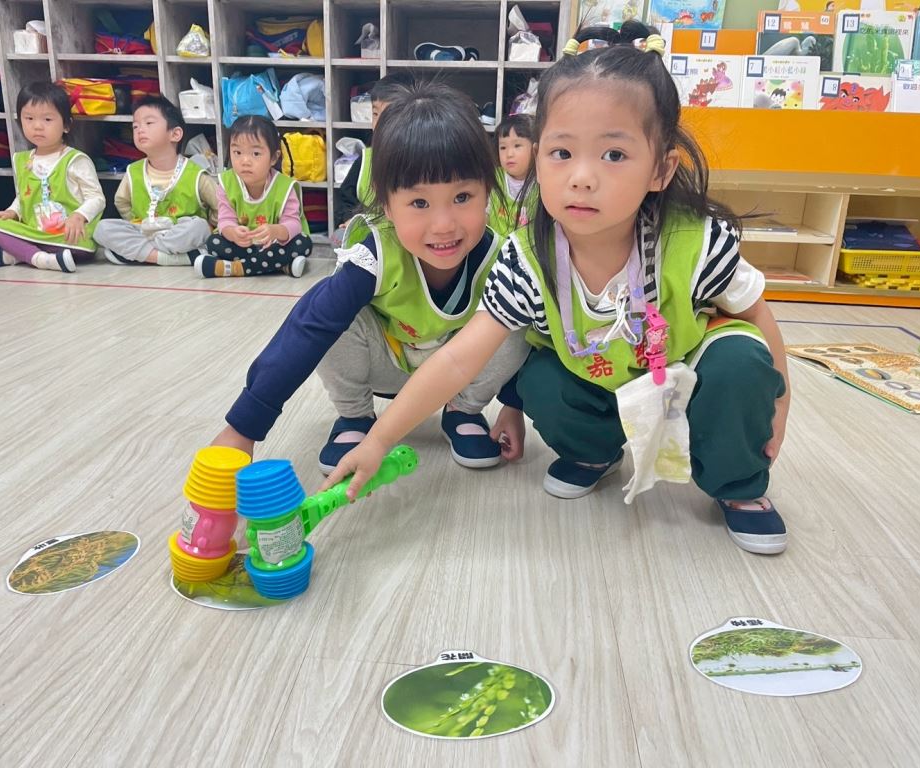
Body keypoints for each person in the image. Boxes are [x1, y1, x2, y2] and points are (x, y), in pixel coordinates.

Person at [325, 22, 792, 556]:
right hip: (600, 375)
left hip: (686, 367)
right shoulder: (527, 257)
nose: (581, 177)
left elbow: (757, 315)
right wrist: (381, 439)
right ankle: (595, 452)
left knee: (740, 361)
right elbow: (458, 360)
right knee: (541, 377)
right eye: (562, 153)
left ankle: (739, 486)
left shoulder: (695, 241)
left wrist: (780, 404)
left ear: (661, 170)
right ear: (536, 156)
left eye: (613, 155)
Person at [209, 81, 528, 473]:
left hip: (458, 374)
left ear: (488, 193)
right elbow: (308, 327)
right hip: (385, 366)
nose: (444, 225)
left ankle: (463, 410)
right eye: (419, 202)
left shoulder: (497, 256)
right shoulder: (376, 253)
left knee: (515, 319)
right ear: (387, 205)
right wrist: (244, 426)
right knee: (327, 309)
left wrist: (512, 405)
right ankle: (355, 417)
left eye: (462, 197)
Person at [0, 82, 105, 272]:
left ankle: (19, 255)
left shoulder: (76, 160)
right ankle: (40, 258)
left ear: (66, 125)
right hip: (35, 233)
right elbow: (23, 197)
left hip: (68, 237)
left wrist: (79, 216)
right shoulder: (21, 160)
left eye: (47, 119)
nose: (37, 126)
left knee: (75, 245)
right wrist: (11, 212)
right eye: (29, 118)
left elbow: (97, 198)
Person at [95, 96, 217, 266]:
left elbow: (219, 205)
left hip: (179, 233)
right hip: (145, 232)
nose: (140, 130)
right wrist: (136, 223)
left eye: (149, 123)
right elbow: (121, 202)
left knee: (199, 227)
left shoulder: (195, 174)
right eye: (135, 126)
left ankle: (140, 254)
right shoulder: (133, 171)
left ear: (175, 134)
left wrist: (211, 227)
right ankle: (169, 258)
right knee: (102, 228)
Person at [194, 115, 313, 278]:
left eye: (256, 153)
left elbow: (294, 224)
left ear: (274, 157)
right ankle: (280, 265)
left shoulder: (285, 186)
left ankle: (234, 268)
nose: (245, 161)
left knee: (303, 243)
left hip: (274, 244)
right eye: (237, 152)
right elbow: (224, 221)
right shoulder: (227, 183)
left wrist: (275, 231)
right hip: (245, 246)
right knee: (214, 242)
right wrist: (233, 233)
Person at [335, 71, 418, 226]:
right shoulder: (367, 159)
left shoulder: (424, 158)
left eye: (389, 115)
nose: (379, 123)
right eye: (375, 113)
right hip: (371, 234)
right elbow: (346, 199)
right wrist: (349, 219)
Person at [487, 113, 537, 236]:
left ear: (535, 148)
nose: (509, 154)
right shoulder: (494, 178)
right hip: (496, 246)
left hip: (529, 247)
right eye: (503, 147)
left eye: (517, 146)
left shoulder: (542, 182)